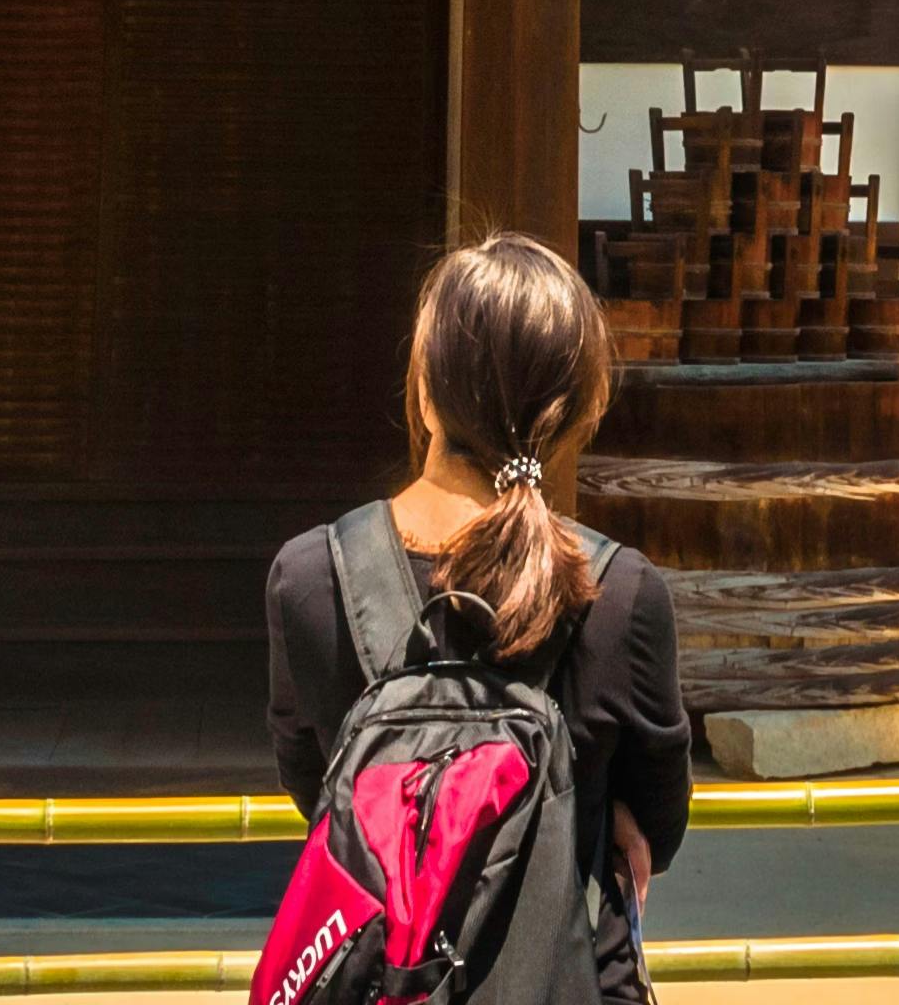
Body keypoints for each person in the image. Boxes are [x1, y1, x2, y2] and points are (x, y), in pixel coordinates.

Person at [265, 233, 692, 1005]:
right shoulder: (620, 594)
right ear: (576, 410)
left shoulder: (309, 577)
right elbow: (655, 829)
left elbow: (315, 785)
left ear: (425, 390)